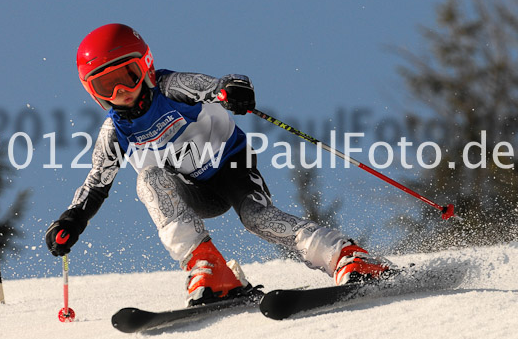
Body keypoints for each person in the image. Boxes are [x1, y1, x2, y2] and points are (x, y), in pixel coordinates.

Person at [45, 23, 391, 306]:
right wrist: (73, 219)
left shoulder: (171, 87)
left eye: (128, 75)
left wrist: (231, 89)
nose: (121, 91)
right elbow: (96, 183)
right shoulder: (114, 130)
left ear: (146, 65)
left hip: (231, 166)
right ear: (93, 92)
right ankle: (210, 268)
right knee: (148, 178)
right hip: (191, 190)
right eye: (106, 85)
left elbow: (212, 86)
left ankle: (347, 257)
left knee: (258, 219)